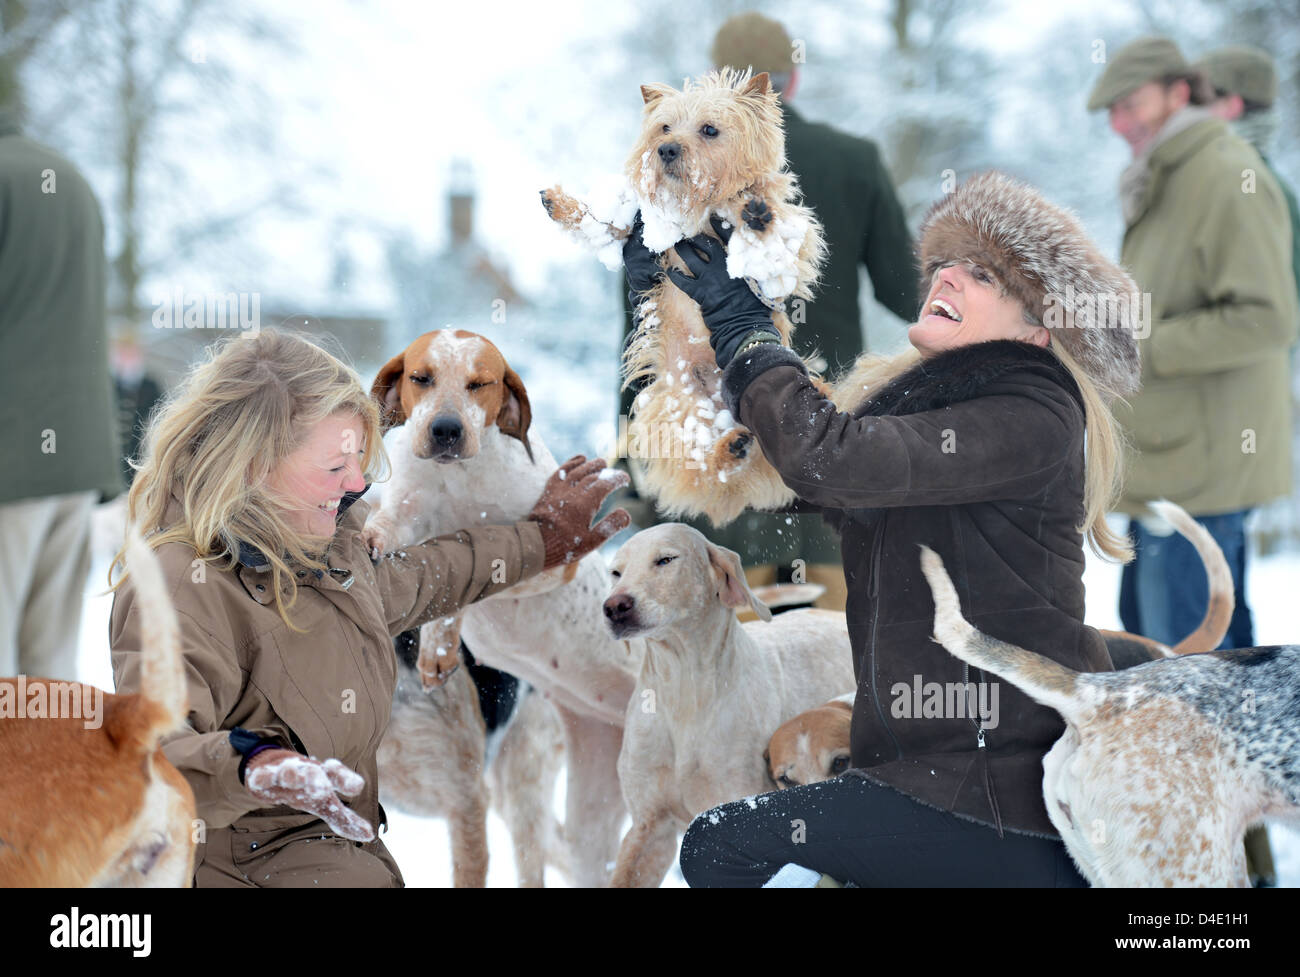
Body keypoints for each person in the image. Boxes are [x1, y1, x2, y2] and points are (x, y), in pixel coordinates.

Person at [628, 170, 1141, 887]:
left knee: (721, 842)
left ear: (1038, 326)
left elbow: (825, 456)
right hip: (929, 780)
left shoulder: (1033, 411)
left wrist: (744, 328)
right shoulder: (939, 415)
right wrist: (672, 315)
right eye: (944, 265)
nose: (950, 278)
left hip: (989, 791)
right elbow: (782, 472)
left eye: (983, 273)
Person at [108, 330, 628, 887]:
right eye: (337, 467)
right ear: (257, 464)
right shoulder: (179, 583)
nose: (358, 483)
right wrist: (250, 766)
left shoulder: (323, 545)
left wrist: (539, 541)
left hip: (340, 862)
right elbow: (151, 755)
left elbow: (428, 576)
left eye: (359, 459)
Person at [618, 11, 918, 613]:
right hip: (825, 462)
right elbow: (910, 293)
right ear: (794, 78)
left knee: (742, 676)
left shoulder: (670, 164)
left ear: (712, 78)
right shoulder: (854, 160)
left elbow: (646, 326)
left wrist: (633, 458)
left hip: (718, 479)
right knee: (836, 668)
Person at [1088, 38, 1296, 659]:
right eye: (1112, 112)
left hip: (1203, 474)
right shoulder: (1169, 171)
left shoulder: (1226, 174)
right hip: (1167, 467)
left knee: (1188, 670)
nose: (1120, 124)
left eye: (1131, 104)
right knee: (1159, 654)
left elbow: (1268, 317)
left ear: (1180, 92)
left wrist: (1135, 345)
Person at [0, 98, 122, 679]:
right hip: (74, 453)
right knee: (48, 670)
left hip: (10, 456)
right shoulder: (69, 180)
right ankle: (45, 772)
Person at [1196, 44, 1300, 301]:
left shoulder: (1244, 185)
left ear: (1231, 106)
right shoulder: (1232, 177)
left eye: (1197, 99)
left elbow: (1274, 319)